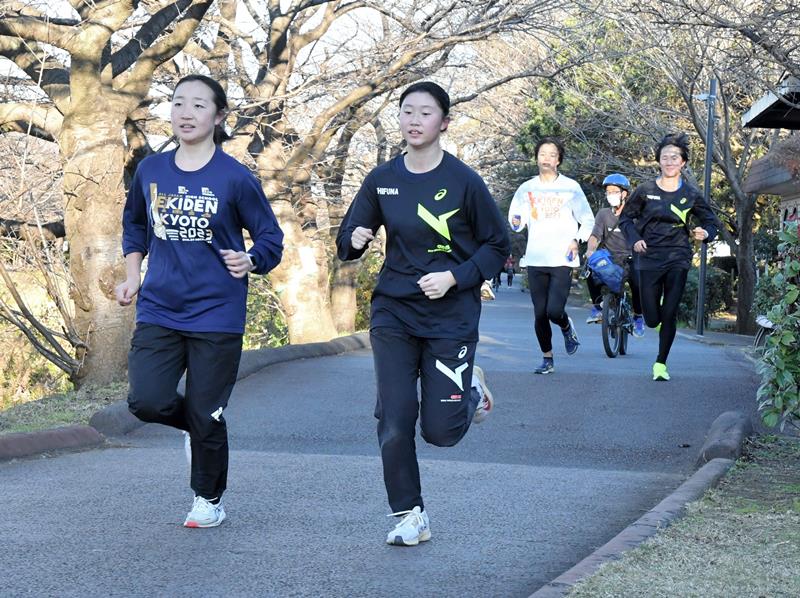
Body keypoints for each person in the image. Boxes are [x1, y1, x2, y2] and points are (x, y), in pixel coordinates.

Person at [335, 81, 510, 546]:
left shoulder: (464, 182)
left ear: (444, 123)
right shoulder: (382, 179)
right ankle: (410, 514)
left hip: (451, 315)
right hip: (394, 311)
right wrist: (354, 238)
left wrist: (455, 277)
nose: (414, 120)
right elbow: (347, 239)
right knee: (393, 419)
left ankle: (470, 389)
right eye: (407, 111)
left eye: (425, 112)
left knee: (441, 432)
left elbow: (498, 246)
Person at [115, 74, 284, 527]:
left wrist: (251, 259)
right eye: (178, 103)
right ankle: (200, 426)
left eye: (198, 105)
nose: (185, 113)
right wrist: (132, 277)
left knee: (208, 412)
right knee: (146, 401)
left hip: (217, 312)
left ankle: (208, 499)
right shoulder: (152, 170)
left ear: (219, 116)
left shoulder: (235, 178)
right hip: (160, 307)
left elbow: (270, 238)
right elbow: (135, 225)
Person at [618, 132, 717, 381]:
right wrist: (634, 239)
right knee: (653, 319)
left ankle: (660, 364)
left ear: (683, 162)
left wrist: (706, 233)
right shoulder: (645, 191)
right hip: (648, 257)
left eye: (675, 157)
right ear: (659, 161)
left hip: (678, 256)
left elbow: (711, 221)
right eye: (665, 157)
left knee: (669, 312)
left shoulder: (691, 194)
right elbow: (625, 219)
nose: (670, 162)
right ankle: (658, 321)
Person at [508, 137, 594, 375]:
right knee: (540, 313)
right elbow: (516, 220)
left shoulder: (571, 187)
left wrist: (577, 239)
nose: (546, 158)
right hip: (536, 257)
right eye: (542, 154)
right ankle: (547, 359)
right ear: (537, 158)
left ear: (558, 160)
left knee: (554, 311)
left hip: (562, 258)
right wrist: (516, 221)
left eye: (552, 154)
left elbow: (587, 219)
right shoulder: (527, 188)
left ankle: (566, 326)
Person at [584, 173, 645, 338]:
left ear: (624, 194)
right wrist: (590, 251)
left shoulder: (636, 214)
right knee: (590, 268)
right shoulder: (603, 214)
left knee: (637, 281)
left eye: (615, 191)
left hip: (631, 257)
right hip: (609, 257)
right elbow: (595, 236)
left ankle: (638, 317)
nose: (611, 195)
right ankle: (597, 307)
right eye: (608, 192)